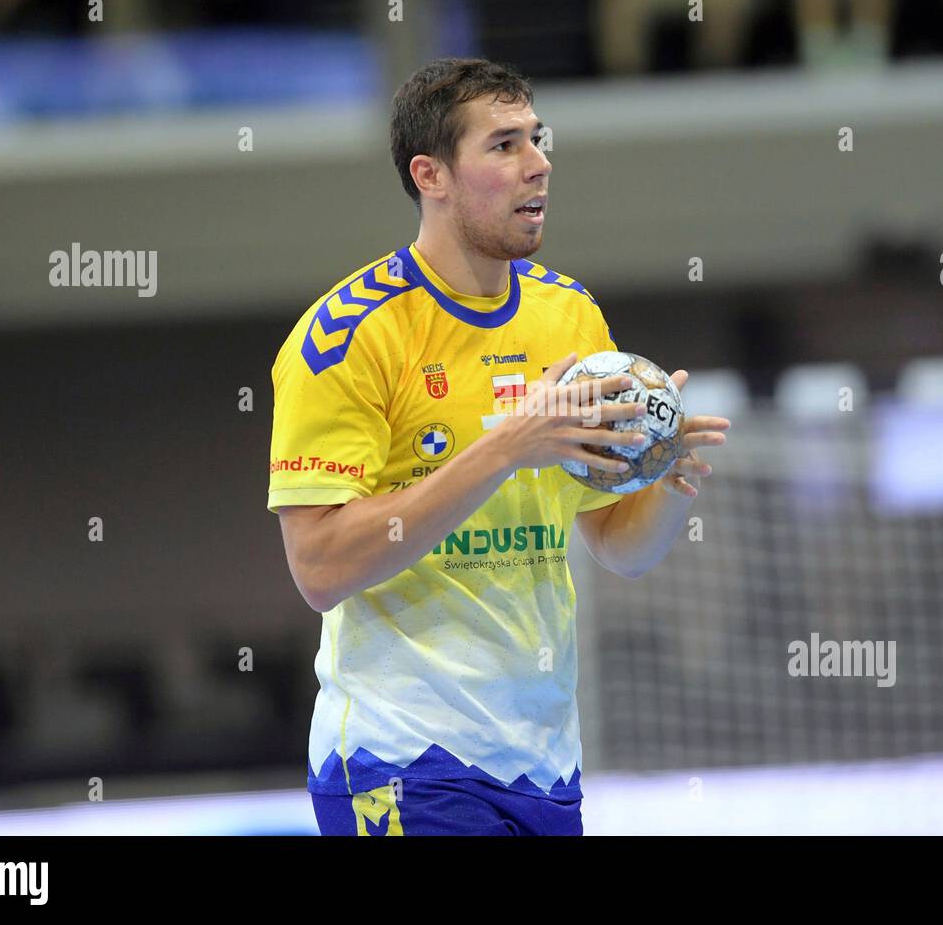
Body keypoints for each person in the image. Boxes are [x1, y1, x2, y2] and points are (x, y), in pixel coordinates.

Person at [268, 57, 731, 835]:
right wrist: (509, 447)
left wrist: (662, 478)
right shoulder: (348, 337)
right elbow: (318, 569)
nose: (539, 164)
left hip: (541, 763)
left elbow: (618, 547)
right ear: (431, 175)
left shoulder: (570, 318)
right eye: (504, 145)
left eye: (537, 139)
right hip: (404, 757)